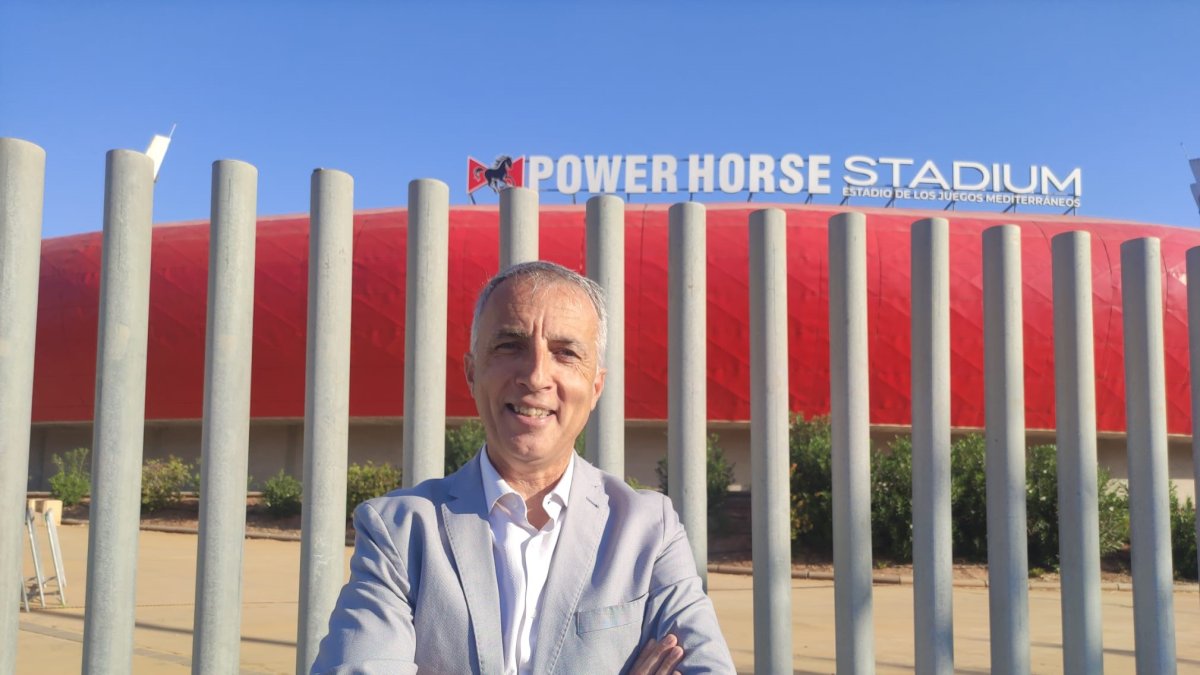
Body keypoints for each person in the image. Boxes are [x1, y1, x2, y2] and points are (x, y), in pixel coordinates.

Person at [312, 261, 735, 674]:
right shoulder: (401, 531)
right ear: (472, 373)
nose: (535, 376)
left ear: (595, 387)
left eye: (565, 353)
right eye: (510, 345)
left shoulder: (648, 529)